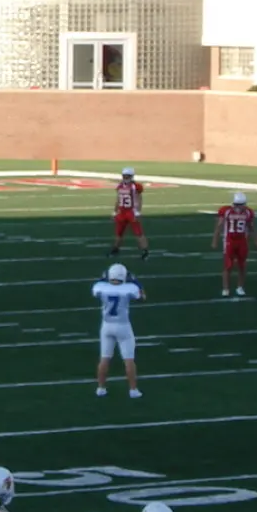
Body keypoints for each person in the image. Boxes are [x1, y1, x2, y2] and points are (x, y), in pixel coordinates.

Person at [94, 262, 144, 399]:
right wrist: (135, 281)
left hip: (106, 326)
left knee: (104, 358)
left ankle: (101, 388)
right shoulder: (130, 288)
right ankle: (133, 390)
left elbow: (97, 288)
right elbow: (141, 296)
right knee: (128, 359)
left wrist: (104, 278)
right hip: (123, 326)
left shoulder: (101, 287)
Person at [212, 192, 256, 298]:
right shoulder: (226, 211)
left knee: (242, 265)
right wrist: (215, 240)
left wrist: (256, 240)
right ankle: (226, 288)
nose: (238, 207)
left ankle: (240, 287)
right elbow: (219, 226)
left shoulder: (248, 213)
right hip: (229, 240)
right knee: (228, 265)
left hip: (242, 241)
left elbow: (251, 227)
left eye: (240, 204)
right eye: (236, 204)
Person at [108, 168, 151, 260]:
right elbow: (118, 199)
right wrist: (115, 211)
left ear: (131, 176)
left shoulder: (136, 186)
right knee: (119, 233)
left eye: (128, 176)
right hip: (122, 212)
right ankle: (115, 249)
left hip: (131, 212)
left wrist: (138, 211)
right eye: (124, 175)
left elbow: (139, 199)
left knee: (138, 233)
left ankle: (145, 251)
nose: (126, 177)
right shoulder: (120, 186)